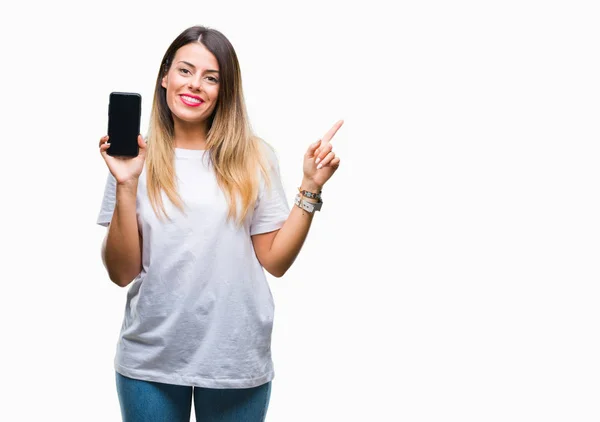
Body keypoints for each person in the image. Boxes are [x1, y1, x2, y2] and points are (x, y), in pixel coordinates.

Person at [96, 25, 343, 422]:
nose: (196, 85)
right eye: (186, 70)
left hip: (235, 356)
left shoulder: (255, 157)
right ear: (165, 76)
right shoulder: (133, 160)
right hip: (150, 359)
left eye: (212, 78)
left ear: (224, 91)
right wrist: (126, 183)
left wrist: (310, 187)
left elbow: (275, 261)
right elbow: (121, 272)